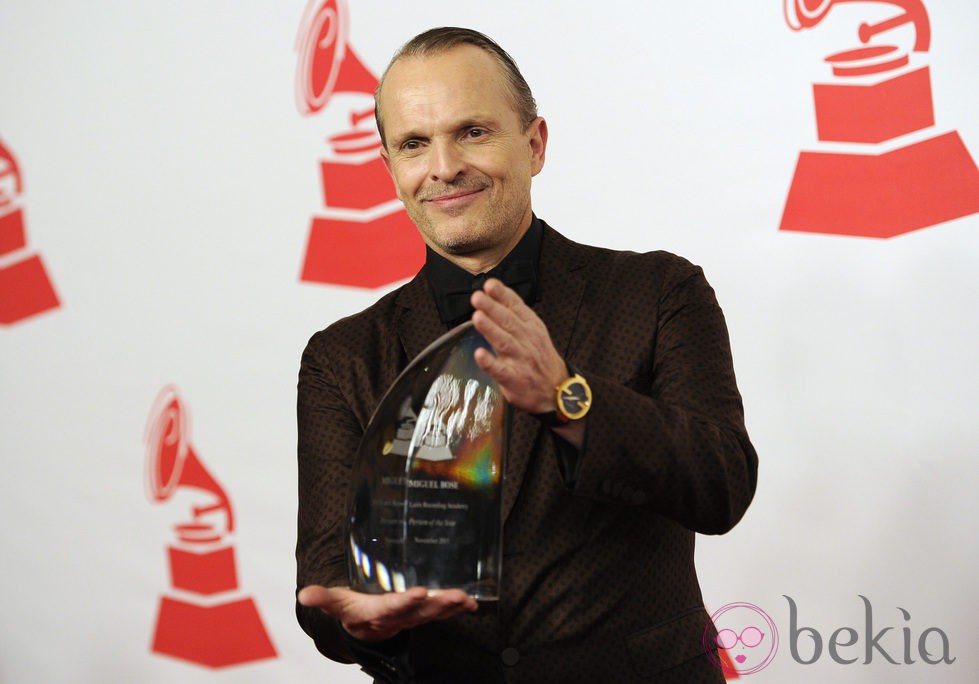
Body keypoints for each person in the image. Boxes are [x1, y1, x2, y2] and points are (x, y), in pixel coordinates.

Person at [295, 26, 758, 684]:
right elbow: (325, 579)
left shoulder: (658, 293)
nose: (444, 165)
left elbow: (721, 485)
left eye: (472, 132)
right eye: (414, 144)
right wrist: (357, 619)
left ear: (534, 144)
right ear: (391, 170)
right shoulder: (342, 357)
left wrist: (568, 397)